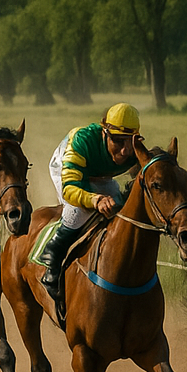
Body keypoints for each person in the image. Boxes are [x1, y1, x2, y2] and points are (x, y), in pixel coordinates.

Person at [40, 102, 145, 315]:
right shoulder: (83, 141)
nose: (125, 150)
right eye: (117, 141)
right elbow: (70, 189)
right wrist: (94, 199)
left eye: (131, 142)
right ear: (105, 133)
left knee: (119, 209)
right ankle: (52, 257)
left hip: (100, 175)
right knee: (80, 211)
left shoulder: (134, 150)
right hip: (67, 169)